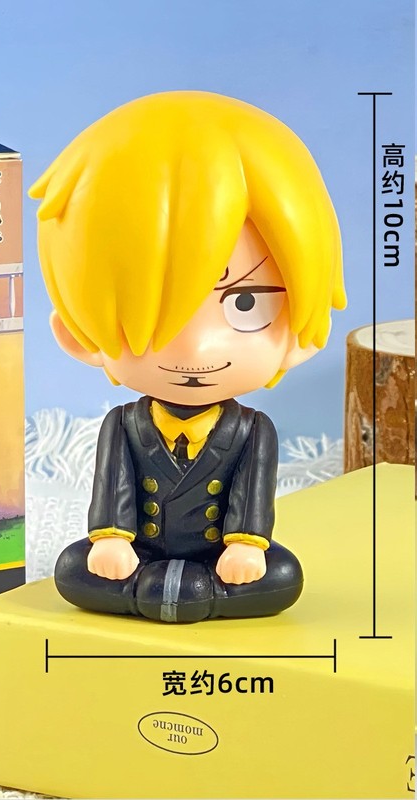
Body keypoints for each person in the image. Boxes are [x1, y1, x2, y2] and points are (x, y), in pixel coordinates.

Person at [29, 91, 345, 622]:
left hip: (222, 560)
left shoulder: (252, 431)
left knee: (281, 575)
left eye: (246, 303)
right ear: (78, 334)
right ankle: (177, 590)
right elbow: (113, 488)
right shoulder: (123, 425)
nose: (196, 349)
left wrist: (245, 545)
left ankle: (175, 592)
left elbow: (252, 496)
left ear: (301, 334)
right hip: (139, 553)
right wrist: (112, 539)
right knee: (73, 569)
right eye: (156, 313)